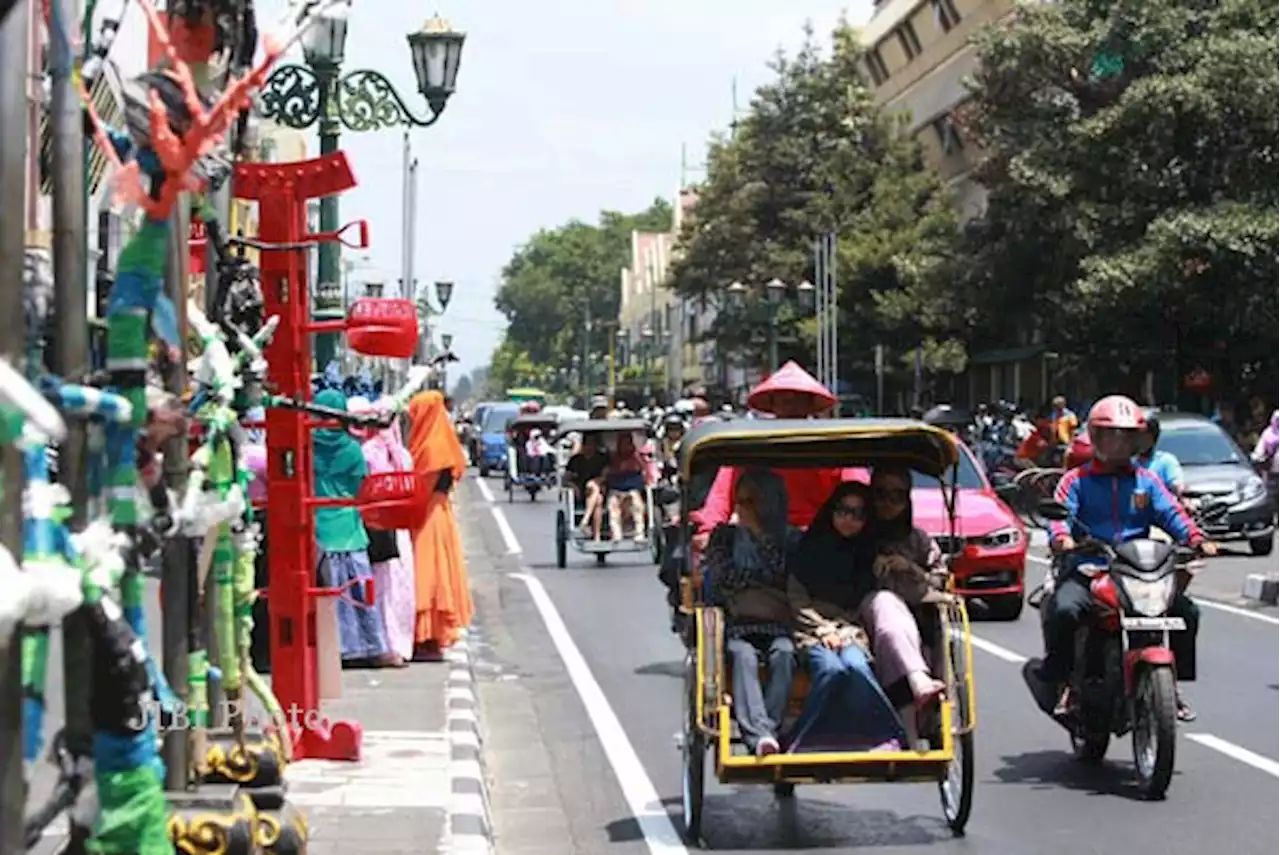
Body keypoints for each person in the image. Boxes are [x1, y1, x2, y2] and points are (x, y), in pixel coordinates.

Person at [1040, 395, 1214, 719]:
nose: (1119, 443)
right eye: (1111, 434)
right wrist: (1062, 538)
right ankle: (1067, 683)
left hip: (1139, 570)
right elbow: (1059, 517)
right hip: (1090, 568)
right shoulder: (1075, 481)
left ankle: (1171, 686)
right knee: (1065, 610)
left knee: (1186, 612)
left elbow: (1173, 514)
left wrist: (1196, 539)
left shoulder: (1147, 481)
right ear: (1095, 436)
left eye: (1126, 436)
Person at [786, 482, 908, 752]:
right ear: (831, 511)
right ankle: (802, 737)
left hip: (851, 630)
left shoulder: (868, 555)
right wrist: (823, 629)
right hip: (811, 630)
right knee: (831, 670)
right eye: (843, 511)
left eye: (858, 514)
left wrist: (844, 630)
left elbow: (867, 603)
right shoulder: (808, 548)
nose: (849, 520)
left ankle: (886, 735)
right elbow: (797, 599)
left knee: (857, 666)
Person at [691, 362, 844, 541]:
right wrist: (708, 531)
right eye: (784, 399)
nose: (790, 405)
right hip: (762, 538)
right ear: (773, 404)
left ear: (809, 403)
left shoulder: (830, 449)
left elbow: (856, 488)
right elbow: (721, 499)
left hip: (821, 537)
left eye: (797, 398)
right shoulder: (751, 448)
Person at [702, 469, 797, 756]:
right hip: (737, 624)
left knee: (785, 654)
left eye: (751, 502)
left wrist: (760, 536)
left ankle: (771, 728)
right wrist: (758, 576)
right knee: (743, 657)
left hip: (779, 624)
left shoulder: (790, 539)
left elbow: (785, 575)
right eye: (739, 500)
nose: (741, 508)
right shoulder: (724, 538)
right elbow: (722, 578)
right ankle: (761, 736)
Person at [865, 466, 951, 744]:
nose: (888, 503)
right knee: (886, 606)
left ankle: (926, 718)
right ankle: (913, 699)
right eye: (881, 494)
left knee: (928, 631)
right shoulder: (856, 533)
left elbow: (941, 581)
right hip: (862, 619)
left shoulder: (919, 540)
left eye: (897, 496)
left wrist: (911, 568)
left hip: (916, 616)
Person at [312, 389, 395, 667]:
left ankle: (334, 649)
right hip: (349, 528)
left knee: (326, 594)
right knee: (359, 591)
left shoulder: (305, 447)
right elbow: (362, 487)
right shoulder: (351, 449)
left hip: (318, 529)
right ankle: (369, 647)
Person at [349, 396, 417, 665]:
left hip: (373, 527)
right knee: (397, 588)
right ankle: (400, 644)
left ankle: (382, 644)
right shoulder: (401, 454)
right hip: (397, 530)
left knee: (377, 588)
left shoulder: (366, 453)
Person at [407, 390, 474, 659]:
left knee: (427, 575)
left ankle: (427, 634)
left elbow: (420, 483)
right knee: (439, 572)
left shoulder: (430, 447)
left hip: (427, 516)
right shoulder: (442, 440)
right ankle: (430, 634)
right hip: (438, 514)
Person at [603, 432, 649, 543]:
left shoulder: (636, 457)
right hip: (616, 490)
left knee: (637, 505)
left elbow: (643, 473)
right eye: (623, 444)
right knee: (613, 505)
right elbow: (607, 475)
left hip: (632, 490)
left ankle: (639, 533)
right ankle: (616, 534)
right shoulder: (613, 458)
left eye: (627, 444)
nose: (625, 447)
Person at [566, 433, 610, 538]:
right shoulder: (575, 460)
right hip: (581, 490)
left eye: (592, 444)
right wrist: (573, 486)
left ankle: (586, 520)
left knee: (597, 495)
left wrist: (596, 481)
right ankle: (596, 535)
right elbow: (566, 478)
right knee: (597, 497)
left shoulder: (602, 458)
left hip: (601, 488)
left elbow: (606, 475)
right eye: (587, 444)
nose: (589, 447)